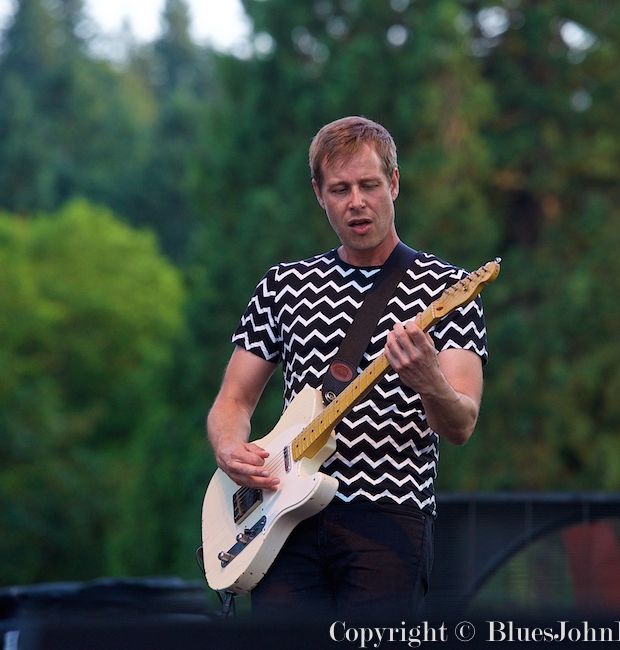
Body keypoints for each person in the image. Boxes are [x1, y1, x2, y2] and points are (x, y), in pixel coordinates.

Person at [206, 116, 487, 621]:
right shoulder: (283, 286)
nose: (356, 201)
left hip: (388, 519)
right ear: (319, 193)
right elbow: (234, 399)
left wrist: (430, 383)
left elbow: (461, 424)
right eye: (340, 189)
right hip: (283, 524)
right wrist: (229, 448)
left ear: (394, 183)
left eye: (369, 185)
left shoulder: (447, 289)